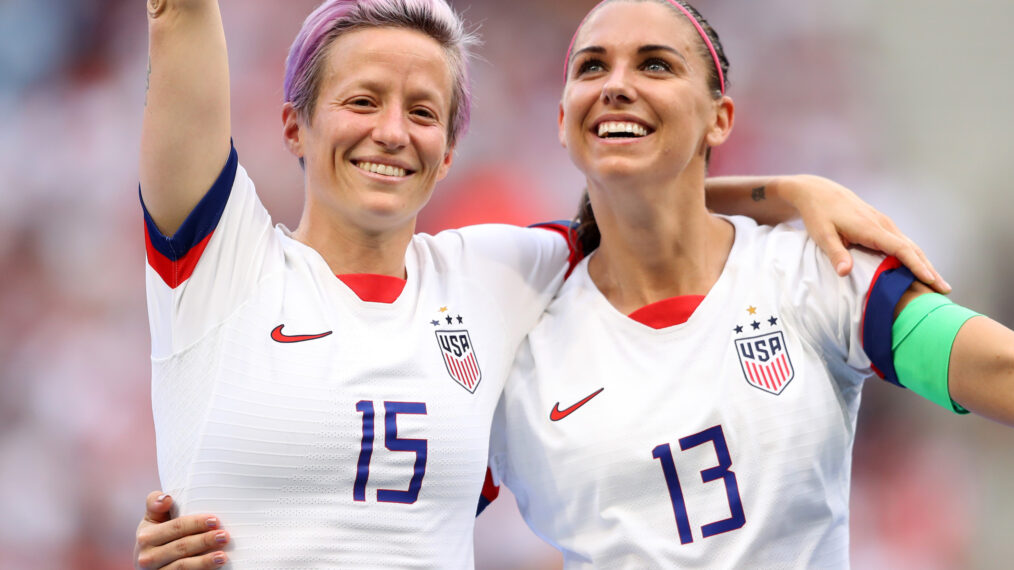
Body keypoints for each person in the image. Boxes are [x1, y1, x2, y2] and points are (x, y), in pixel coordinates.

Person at [134, 0, 950, 567]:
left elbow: (643, 194)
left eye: (423, 112)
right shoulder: (223, 266)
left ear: (449, 152)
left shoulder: (495, 274)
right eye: (362, 100)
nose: (391, 131)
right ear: (293, 128)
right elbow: (179, 15)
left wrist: (784, 191)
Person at [487, 0, 1014, 568]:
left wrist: (787, 193)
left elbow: (997, 369)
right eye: (592, 66)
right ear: (562, 120)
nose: (616, 84)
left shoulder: (817, 270)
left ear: (721, 118)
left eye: (655, 65)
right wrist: (784, 191)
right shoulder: (515, 322)